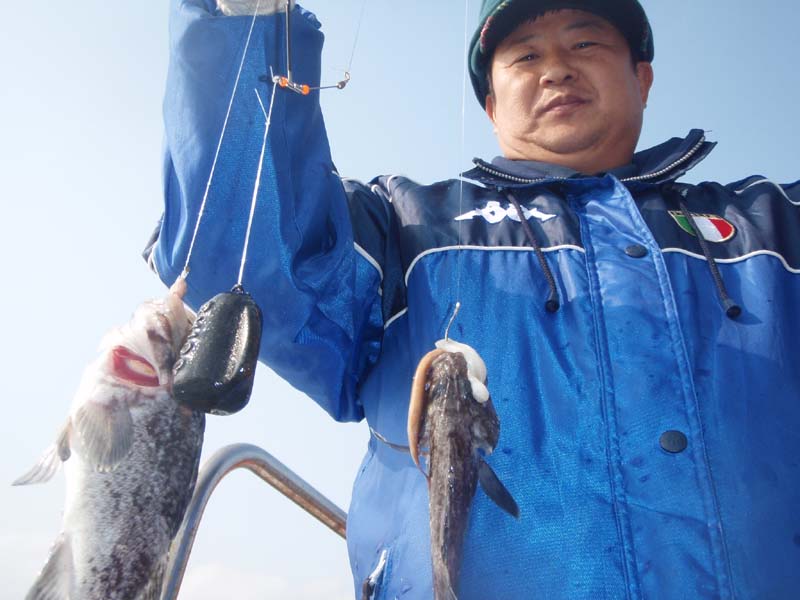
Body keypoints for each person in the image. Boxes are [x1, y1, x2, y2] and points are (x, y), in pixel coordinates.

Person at [145, 0, 800, 598]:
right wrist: (248, 21)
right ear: (490, 105)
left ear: (643, 77)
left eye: (585, 44)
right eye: (526, 56)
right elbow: (233, 247)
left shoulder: (773, 224)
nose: (556, 70)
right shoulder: (402, 225)